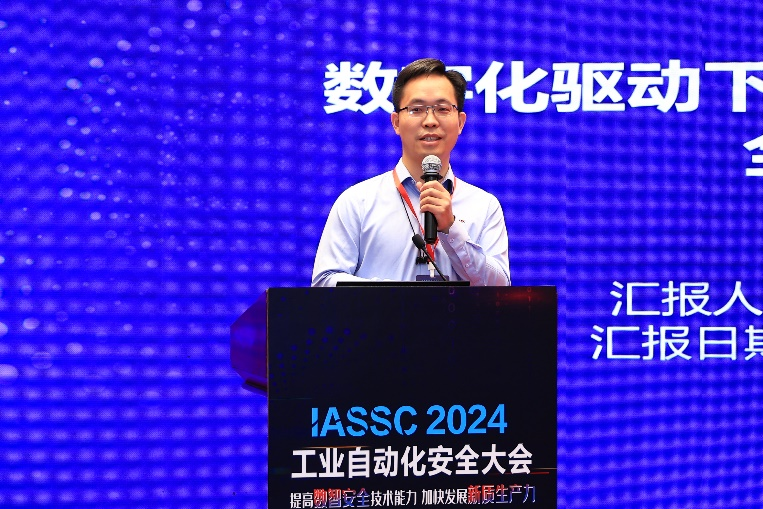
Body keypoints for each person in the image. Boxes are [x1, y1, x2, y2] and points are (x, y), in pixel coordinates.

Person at [311, 58, 510, 286]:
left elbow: (500, 290)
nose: (430, 121)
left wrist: (452, 228)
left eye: (442, 109)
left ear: (460, 122)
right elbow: (324, 282)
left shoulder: (485, 206)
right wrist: (399, 296)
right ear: (396, 122)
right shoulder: (358, 201)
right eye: (416, 110)